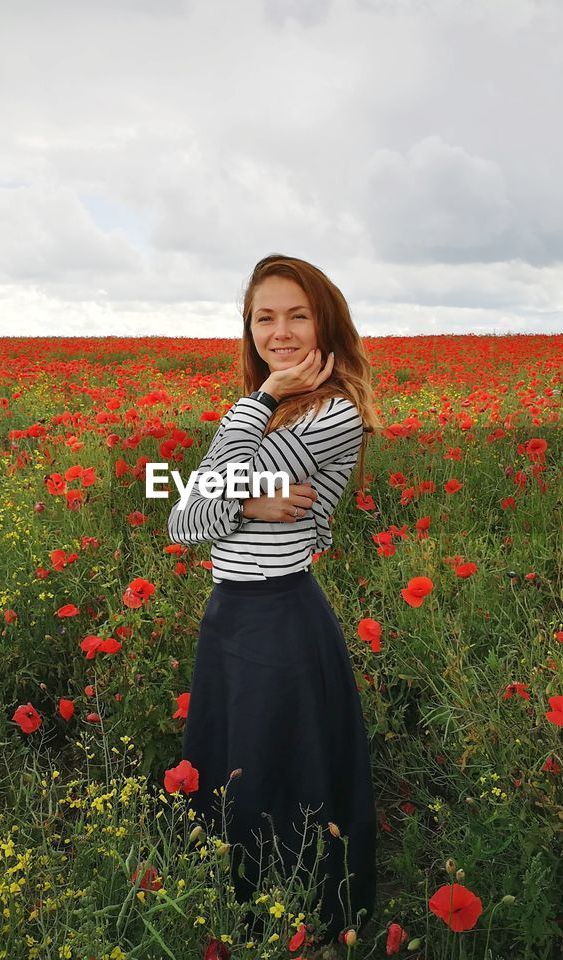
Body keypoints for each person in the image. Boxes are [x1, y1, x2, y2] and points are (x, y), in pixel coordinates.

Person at [167, 254, 382, 948]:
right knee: (237, 769)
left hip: (280, 618)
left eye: (297, 315)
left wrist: (250, 410)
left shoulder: (333, 415)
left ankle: (288, 920)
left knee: (274, 776)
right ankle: (239, 907)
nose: (280, 332)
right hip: (231, 611)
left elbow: (193, 507)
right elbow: (179, 509)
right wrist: (251, 497)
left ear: (325, 321)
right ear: (248, 325)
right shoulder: (273, 410)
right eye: (265, 316)